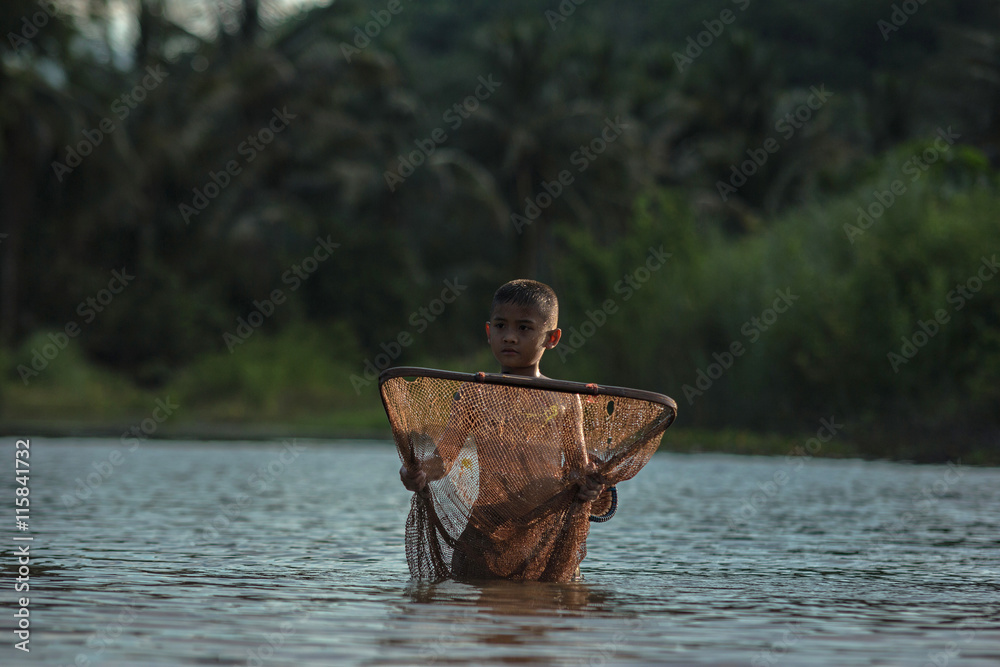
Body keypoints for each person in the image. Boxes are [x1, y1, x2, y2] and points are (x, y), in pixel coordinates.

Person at [398, 279, 607, 580]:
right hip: (482, 537)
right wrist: (416, 472)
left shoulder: (565, 398)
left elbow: (576, 469)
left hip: (543, 539)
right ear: (488, 332)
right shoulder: (475, 393)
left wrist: (590, 484)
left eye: (524, 328)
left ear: (552, 337)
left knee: (544, 616)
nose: (509, 337)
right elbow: (443, 459)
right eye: (500, 326)